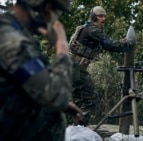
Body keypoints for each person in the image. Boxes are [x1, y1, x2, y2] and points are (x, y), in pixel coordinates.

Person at [0, 0, 83, 140]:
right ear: (47, 7)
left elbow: (19, 82)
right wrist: (62, 45)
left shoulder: (11, 31)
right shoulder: (12, 41)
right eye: (57, 11)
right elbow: (56, 96)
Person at [69, 5, 136, 125]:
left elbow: (108, 44)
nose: (103, 19)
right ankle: (80, 127)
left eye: (104, 16)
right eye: (100, 16)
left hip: (71, 68)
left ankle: (76, 129)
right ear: (94, 17)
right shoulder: (93, 30)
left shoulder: (85, 28)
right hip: (76, 68)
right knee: (90, 99)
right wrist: (129, 44)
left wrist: (122, 42)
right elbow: (111, 45)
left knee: (79, 100)